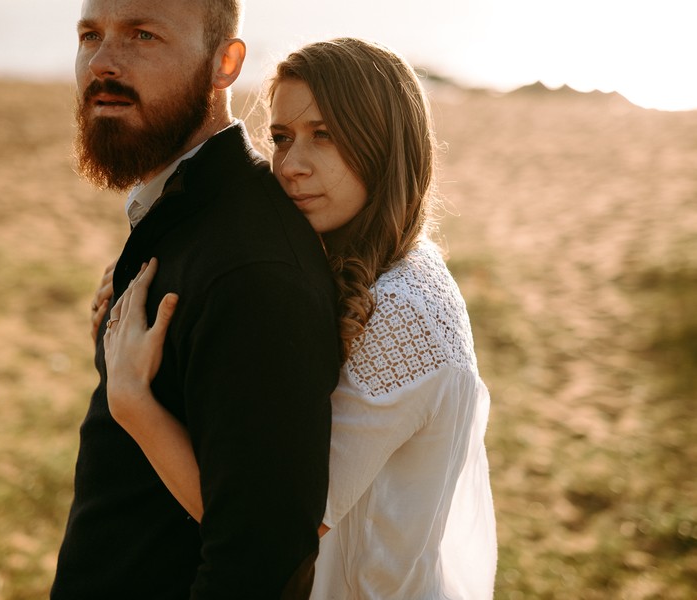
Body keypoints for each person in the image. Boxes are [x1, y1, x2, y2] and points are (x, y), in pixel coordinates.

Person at [99, 38, 498, 599]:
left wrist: (132, 402)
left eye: (325, 135)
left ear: (384, 144)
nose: (291, 167)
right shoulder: (367, 254)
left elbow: (272, 530)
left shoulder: (408, 313)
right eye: (282, 138)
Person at [51, 0, 342, 598]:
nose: (103, 62)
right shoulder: (183, 207)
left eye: (143, 35)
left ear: (225, 63)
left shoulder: (253, 268)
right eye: (90, 35)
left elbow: (258, 557)